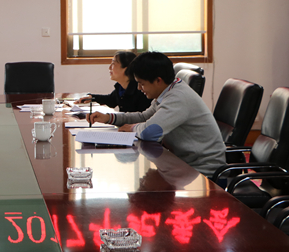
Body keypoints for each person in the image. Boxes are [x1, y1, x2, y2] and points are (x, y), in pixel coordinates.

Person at [88, 52, 226, 177]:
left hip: (203, 171)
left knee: (142, 187)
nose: (139, 88)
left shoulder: (177, 98)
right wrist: (109, 118)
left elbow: (150, 132)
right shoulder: (168, 91)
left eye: (142, 84)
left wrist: (132, 128)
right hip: (182, 163)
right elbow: (144, 117)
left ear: (158, 80)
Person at [79, 51, 150, 112]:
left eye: (113, 63)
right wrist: (92, 97)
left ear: (126, 69)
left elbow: (141, 117)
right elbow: (111, 100)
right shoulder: (120, 87)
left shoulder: (141, 90)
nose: (110, 67)